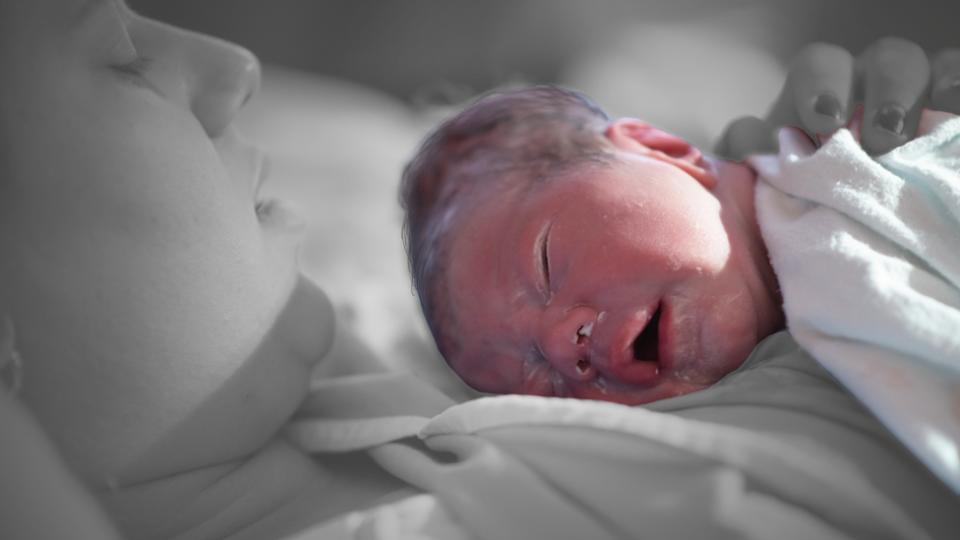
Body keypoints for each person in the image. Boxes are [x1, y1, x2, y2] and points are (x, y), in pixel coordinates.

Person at [0, 0, 952, 536]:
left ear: (661, 147)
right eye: (523, 375)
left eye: (544, 260)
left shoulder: (811, 220)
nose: (233, 68)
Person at [400, 38, 960, 406]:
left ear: (662, 148)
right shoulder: (756, 414)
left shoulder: (850, 156)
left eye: (545, 262)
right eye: (542, 383)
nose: (559, 347)